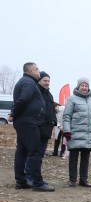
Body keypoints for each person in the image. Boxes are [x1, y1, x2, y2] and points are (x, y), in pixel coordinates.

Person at [11, 62, 55, 192]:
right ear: (30, 71)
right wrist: (14, 113)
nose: (38, 71)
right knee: (35, 152)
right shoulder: (29, 82)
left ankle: (21, 180)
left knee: (22, 150)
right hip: (29, 122)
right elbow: (24, 99)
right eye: (37, 69)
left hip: (25, 121)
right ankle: (37, 183)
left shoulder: (25, 81)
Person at [62, 77, 91, 188]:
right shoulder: (72, 99)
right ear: (78, 87)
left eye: (86, 86)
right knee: (73, 157)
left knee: (85, 158)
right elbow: (67, 116)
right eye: (82, 85)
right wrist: (67, 130)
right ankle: (72, 179)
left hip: (88, 133)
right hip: (75, 132)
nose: (84, 88)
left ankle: (83, 179)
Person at [24, 71, 57, 185]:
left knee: (40, 154)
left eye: (48, 81)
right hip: (35, 127)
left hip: (46, 129)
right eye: (45, 80)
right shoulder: (35, 92)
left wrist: (54, 121)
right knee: (33, 154)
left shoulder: (50, 95)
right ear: (39, 80)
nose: (47, 83)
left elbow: (51, 110)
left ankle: (36, 177)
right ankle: (28, 176)